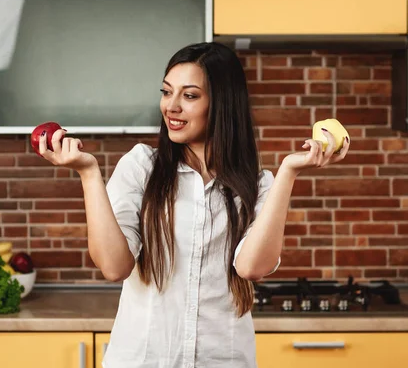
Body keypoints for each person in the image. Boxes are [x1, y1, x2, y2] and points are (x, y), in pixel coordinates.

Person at [37, 42, 350, 368]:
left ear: (222, 103)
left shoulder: (258, 185)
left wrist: (289, 171)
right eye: (166, 92)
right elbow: (114, 267)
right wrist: (88, 172)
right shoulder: (142, 167)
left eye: (189, 96)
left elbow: (251, 268)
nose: (171, 106)